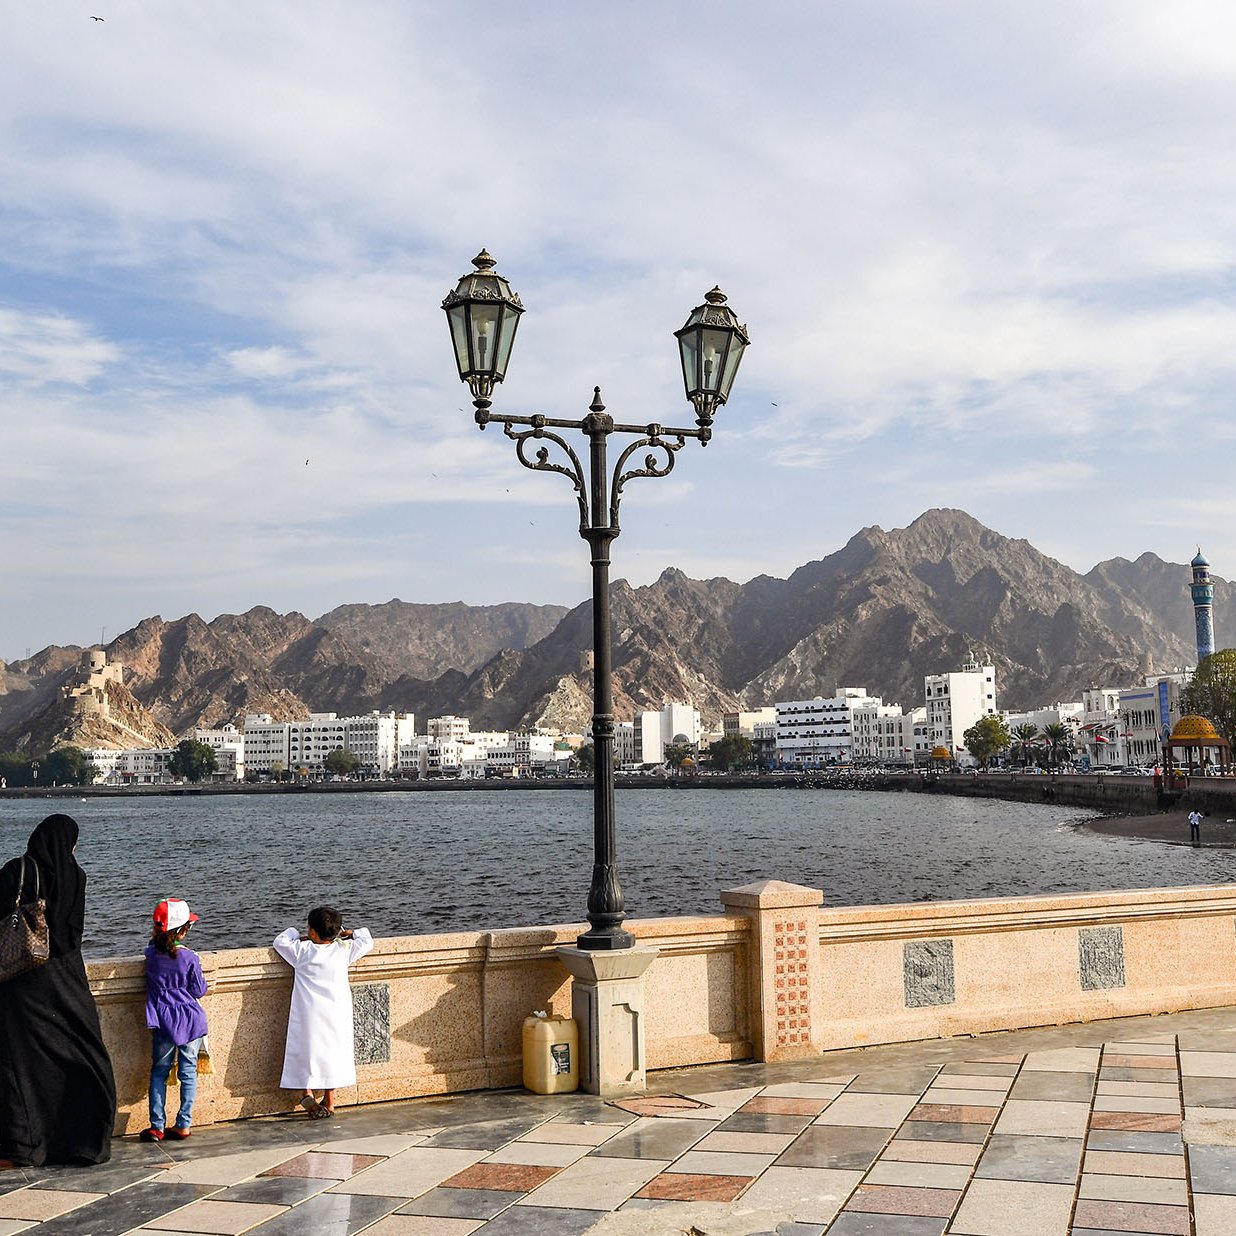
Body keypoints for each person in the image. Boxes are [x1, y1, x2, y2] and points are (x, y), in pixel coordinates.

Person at [0, 814, 117, 1167]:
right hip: (67, 978)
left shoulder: (16, 870)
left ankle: (23, 1146)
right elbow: (71, 933)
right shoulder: (75, 877)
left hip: (22, 977)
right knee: (82, 1050)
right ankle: (85, 1140)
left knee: (19, 1061)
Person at [274, 906, 373, 1118]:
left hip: (308, 1012)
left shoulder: (302, 951)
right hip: (336, 1012)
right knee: (332, 1054)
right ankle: (329, 1100)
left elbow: (280, 941)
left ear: (311, 932)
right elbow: (367, 940)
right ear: (336, 932)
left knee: (305, 1050)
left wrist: (294, 933)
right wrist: (351, 933)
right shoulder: (343, 950)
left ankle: (306, 1092)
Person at [141, 898, 208, 1142]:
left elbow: (155, 946)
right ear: (183, 930)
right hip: (190, 1019)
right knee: (188, 1071)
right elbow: (199, 990)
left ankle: (157, 1126)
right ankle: (183, 1124)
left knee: (159, 1071)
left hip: (163, 1019)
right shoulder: (189, 957)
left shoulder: (151, 954)